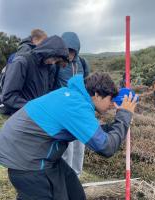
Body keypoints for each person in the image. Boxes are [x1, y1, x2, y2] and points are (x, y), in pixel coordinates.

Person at [0, 72, 137, 200]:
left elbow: (94, 133)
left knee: (75, 194)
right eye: (111, 99)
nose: (112, 104)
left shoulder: (73, 96)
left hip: (38, 155)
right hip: (27, 163)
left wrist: (117, 123)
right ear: (97, 95)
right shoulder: (75, 105)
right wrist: (124, 116)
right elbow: (106, 147)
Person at [1, 35, 69, 115]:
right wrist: (34, 107)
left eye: (57, 60)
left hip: (37, 116)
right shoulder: (21, 62)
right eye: (54, 58)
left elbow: (47, 91)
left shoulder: (48, 67)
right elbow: (8, 97)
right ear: (48, 51)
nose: (53, 62)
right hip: (20, 116)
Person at [56, 32, 90, 176]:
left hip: (79, 108)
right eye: (66, 51)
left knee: (79, 143)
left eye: (72, 51)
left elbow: (86, 81)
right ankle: (66, 174)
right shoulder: (58, 64)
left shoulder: (82, 62)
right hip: (63, 108)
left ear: (76, 50)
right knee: (67, 145)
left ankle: (76, 174)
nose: (69, 54)